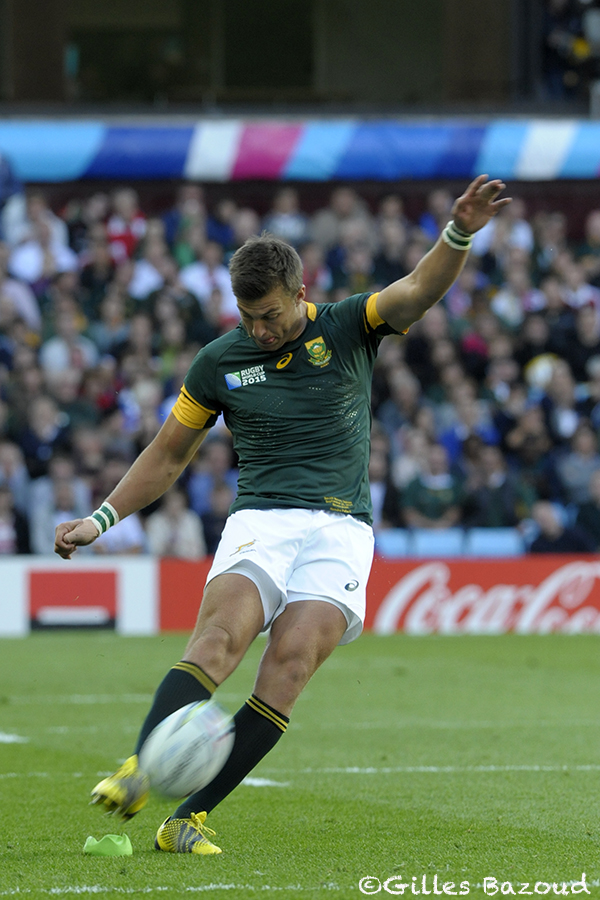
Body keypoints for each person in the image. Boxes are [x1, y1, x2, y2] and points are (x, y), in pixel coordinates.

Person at [54, 175, 510, 855]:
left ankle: (186, 819)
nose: (259, 329)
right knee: (219, 642)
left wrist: (459, 233)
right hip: (262, 519)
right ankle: (142, 767)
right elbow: (169, 453)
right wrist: (102, 517)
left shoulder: (349, 325)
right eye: (247, 317)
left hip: (342, 527)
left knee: (289, 668)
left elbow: (418, 289)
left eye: (269, 315)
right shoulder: (219, 362)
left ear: (300, 292)